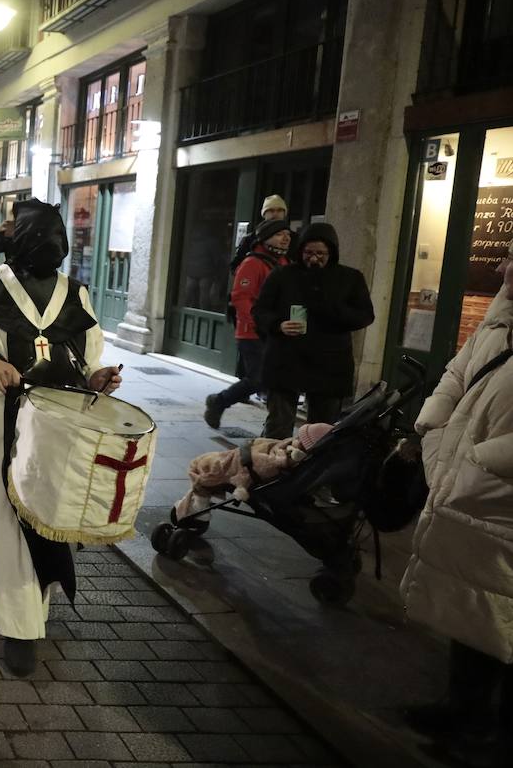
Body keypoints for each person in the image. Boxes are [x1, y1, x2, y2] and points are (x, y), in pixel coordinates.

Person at [0, 199, 122, 677]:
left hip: (61, 428)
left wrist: (98, 376)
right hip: (3, 425)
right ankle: (18, 626)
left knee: (49, 515)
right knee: (10, 520)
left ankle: (35, 607)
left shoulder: (75, 293)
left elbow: (89, 352)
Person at [400, 244, 513, 766]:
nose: (504, 265)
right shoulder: (502, 313)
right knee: (476, 603)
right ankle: (461, 707)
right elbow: (459, 369)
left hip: (498, 487)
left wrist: (484, 459)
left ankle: (495, 732)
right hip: (475, 488)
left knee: (506, 610)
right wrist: (435, 418)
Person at [253, 223, 374, 439]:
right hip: (286, 359)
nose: (314, 258)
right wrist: (278, 325)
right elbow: (260, 310)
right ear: (301, 251)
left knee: (320, 432)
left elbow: (364, 315)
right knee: (278, 427)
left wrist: (331, 308)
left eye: (320, 253)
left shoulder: (350, 278)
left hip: (329, 363)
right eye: (309, 252)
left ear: (331, 252)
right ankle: (272, 469)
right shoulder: (283, 275)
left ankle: (310, 471)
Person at [204, 219, 291, 429]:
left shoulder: (283, 262)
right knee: (258, 379)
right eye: (280, 234)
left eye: (287, 234)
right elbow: (241, 298)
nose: (286, 237)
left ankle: (275, 424)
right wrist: (259, 323)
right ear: (266, 237)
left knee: (269, 379)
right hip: (252, 333)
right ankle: (219, 401)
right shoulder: (252, 263)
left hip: (274, 332)